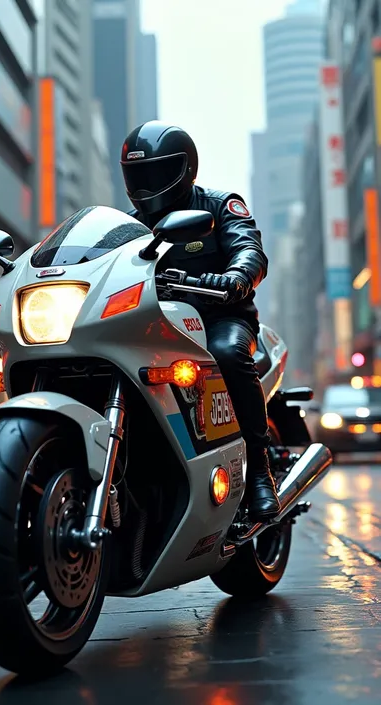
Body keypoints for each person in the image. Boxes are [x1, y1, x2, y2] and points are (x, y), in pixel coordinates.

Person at [120, 120, 280, 521]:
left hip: (219, 320)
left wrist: (235, 277)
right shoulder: (125, 227)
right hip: (158, 329)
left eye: (155, 173)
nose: (145, 184)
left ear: (185, 169)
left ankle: (259, 472)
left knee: (226, 353)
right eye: (137, 174)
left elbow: (249, 249)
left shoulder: (220, 204)